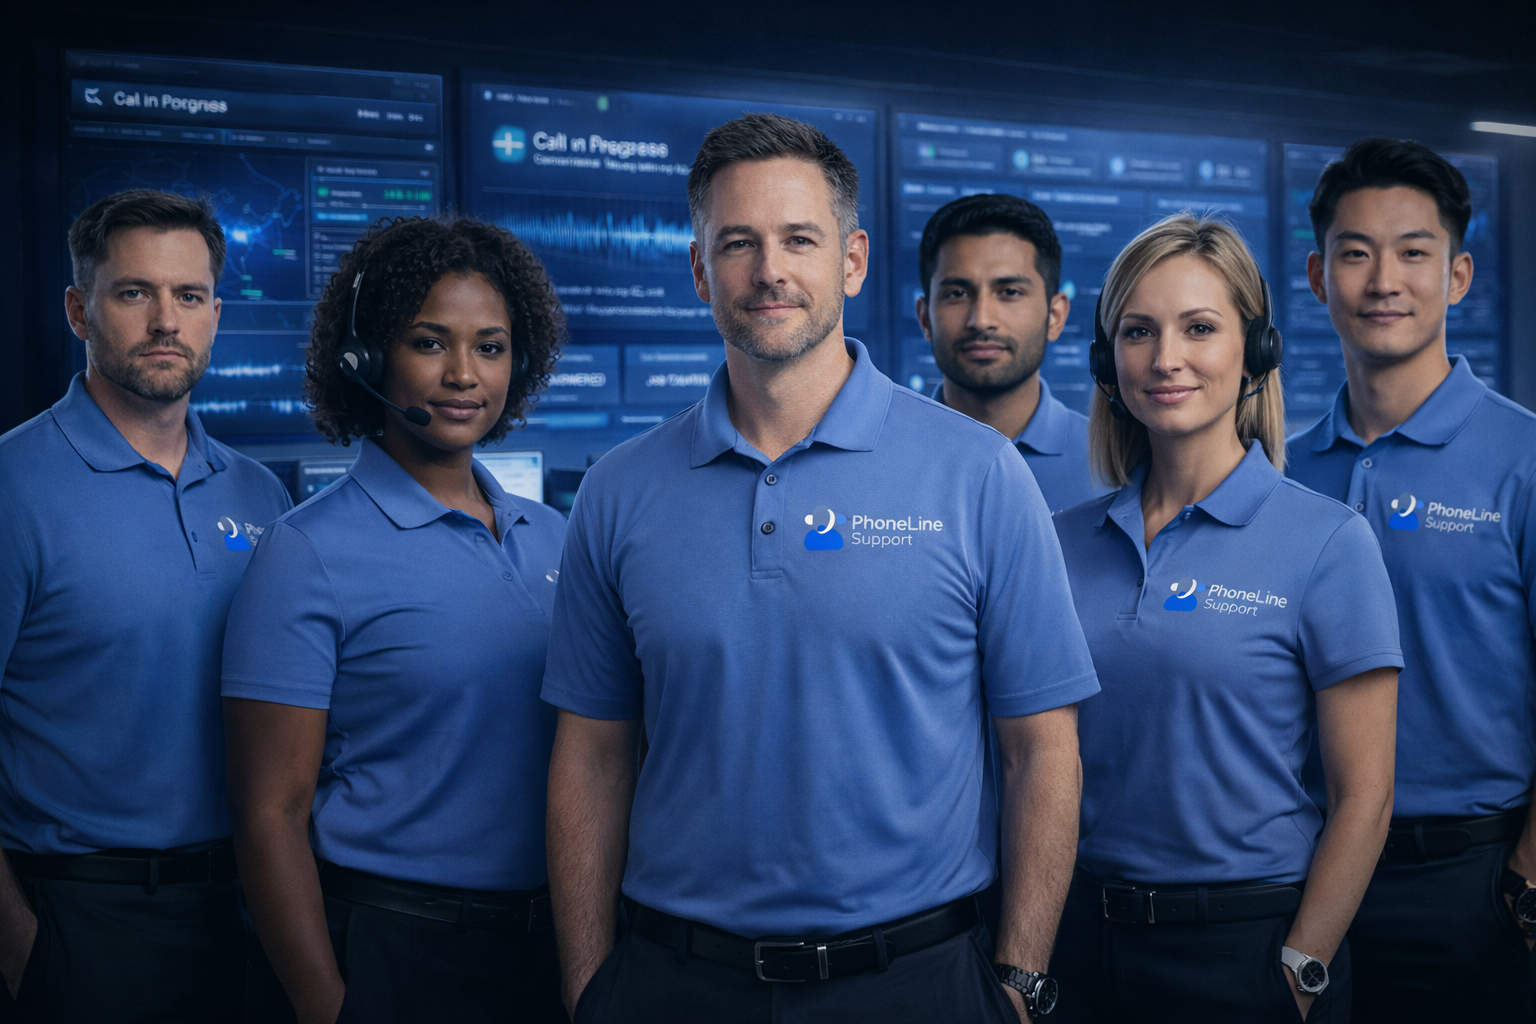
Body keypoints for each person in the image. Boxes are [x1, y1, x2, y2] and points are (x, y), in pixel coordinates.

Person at [542, 112, 1099, 1024]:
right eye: (738, 243)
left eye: (799, 239)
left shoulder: (979, 474)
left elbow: (1042, 749)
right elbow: (592, 757)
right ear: (698, 271)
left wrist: (1021, 984)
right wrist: (590, 991)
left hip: (917, 982)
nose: (769, 271)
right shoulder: (617, 490)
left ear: (851, 261)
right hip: (674, 983)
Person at [1049, 214, 1401, 1022]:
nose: (1166, 359)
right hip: (1083, 944)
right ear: (1108, 363)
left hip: (1245, 954)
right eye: (1139, 332)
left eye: (1199, 328)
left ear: (1257, 353)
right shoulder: (1060, 543)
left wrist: (1300, 968)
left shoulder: (1328, 542)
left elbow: (1365, 796)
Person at [220, 216, 568, 1024]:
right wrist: (326, 1006)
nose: (462, 374)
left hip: (544, 945)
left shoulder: (558, 536)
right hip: (394, 948)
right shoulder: (306, 551)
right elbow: (267, 812)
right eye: (428, 342)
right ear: (368, 358)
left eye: (489, 346)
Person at [0, 189, 292, 1021]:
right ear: (78, 311)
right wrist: (27, 957)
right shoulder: (13, 488)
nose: (166, 320)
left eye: (188, 296)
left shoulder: (259, 493)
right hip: (85, 922)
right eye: (134, 293)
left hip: (248, 912)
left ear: (213, 312)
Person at [1285, 137, 1536, 1022]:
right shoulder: (1280, 473)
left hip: (1470, 882)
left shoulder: (1525, 460)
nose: (1383, 279)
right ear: (1318, 277)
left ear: (1458, 276)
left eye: (1413, 252)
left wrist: (1527, 879)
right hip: (1303, 874)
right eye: (1355, 253)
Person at [917, 193, 1108, 512]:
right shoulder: (878, 459)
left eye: (1009, 292)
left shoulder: (1117, 467)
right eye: (958, 293)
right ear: (925, 318)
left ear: (1055, 316)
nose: (981, 320)